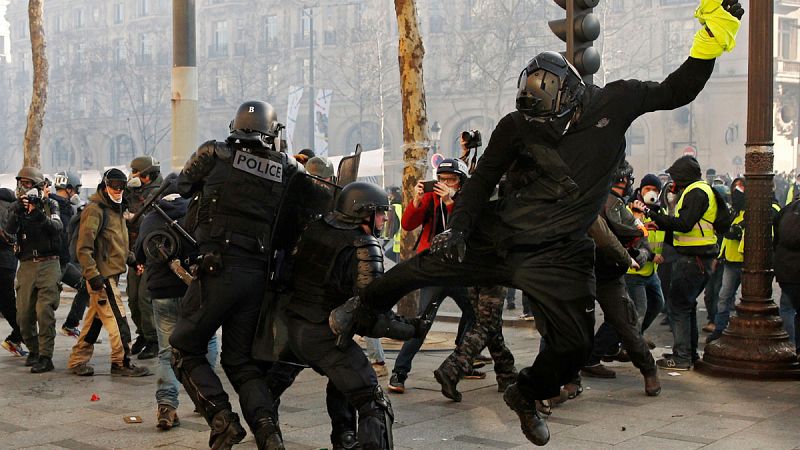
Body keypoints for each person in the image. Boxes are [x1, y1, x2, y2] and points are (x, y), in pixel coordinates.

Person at [332, 1, 745, 444]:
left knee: (574, 347)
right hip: (503, 234)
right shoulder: (517, 125)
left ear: (573, 95)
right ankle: (364, 307)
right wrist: (461, 228)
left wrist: (711, 34)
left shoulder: (618, 100)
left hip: (561, 252)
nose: (540, 127)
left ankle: (526, 395)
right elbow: (483, 178)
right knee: (420, 266)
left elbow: (677, 90)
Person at [170, 100, 306, 449]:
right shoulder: (288, 169)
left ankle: (221, 418)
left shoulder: (214, 153)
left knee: (184, 348)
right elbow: (291, 227)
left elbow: (184, 186)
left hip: (217, 271)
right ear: (272, 131)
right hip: (256, 277)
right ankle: (269, 434)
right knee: (240, 361)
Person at [285, 181, 401, 450]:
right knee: (373, 400)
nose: (384, 218)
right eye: (380, 212)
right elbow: (370, 307)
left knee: (341, 383)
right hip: (325, 332)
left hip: (294, 324)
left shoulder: (314, 229)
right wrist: (408, 329)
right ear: (363, 212)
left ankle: (343, 439)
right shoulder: (363, 244)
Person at [133, 174, 219, 431]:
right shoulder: (198, 213)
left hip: (162, 293)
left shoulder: (151, 218)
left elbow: (138, 253)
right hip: (196, 291)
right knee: (207, 343)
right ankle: (204, 397)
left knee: (167, 352)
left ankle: (166, 407)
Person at [387, 158, 476, 395]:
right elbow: (407, 225)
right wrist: (416, 200)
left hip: (459, 270)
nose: (445, 184)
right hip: (434, 269)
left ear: (461, 182)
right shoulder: (430, 197)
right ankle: (399, 372)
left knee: (476, 313)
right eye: (441, 179)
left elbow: (462, 226)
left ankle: (462, 358)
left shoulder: (465, 200)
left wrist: (450, 202)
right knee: (422, 322)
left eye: (451, 180)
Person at [579, 160, 660, 397]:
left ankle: (648, 369)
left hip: (606, 275)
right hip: (587, 271)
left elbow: (636, 235)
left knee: (626, 324)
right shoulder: (599, 202)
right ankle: (571, 377)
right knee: (618, 327)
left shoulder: (615, 206)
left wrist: (637, 254)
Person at [638, 156, 726, 370]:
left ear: (683, 176)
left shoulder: (696, 192)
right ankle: (689, 353)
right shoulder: (699, 190)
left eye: (675, 177)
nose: (672, 183)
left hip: (693, 258)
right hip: (698, 256)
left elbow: (684, 225)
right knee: (687, 306)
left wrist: (652, 215)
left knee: (677, 306)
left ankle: (682, 357)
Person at [66, 169, 149, 377]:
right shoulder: (95, 210)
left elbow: (117, 245)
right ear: (105, 185)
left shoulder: (116, 209)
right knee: (118, 321)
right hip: (103, 278)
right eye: (114, 186)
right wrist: (93, 276)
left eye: (121, 186)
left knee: (94, 321)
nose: (118, 190)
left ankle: (78, 360)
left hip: (108, 274)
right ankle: (121, 362)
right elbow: (84, 248)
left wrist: (133, 260)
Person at [5, 167, 63, 373]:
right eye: (22, 183)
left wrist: (38, 213)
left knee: (44, 311)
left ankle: (46, 356)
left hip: (49, 263)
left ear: (38, 186)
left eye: (29, 184)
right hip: (27, 264)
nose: (24, 188)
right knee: (23, 315)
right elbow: (8, 233)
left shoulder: (51, 205)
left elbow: (56, 228)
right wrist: (17, 212)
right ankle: (34, 350)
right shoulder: (16, 207)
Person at [433, 284, 518, 402]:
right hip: (492, 277)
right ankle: (451, 370)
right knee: (486, 326)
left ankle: (507, 375)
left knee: (491, 325)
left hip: (474, 277)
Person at [125, 155, 163, 360]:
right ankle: (143, 333)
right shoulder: (132, 191)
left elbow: (148, 217)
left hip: (150, 253)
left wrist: (133, 216)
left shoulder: (160, 192)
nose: (133, 176)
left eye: (136, 172)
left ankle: (153, 339)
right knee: (132, 299)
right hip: (134, 254)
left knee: (144, 299)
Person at [625, 174, 666, 334]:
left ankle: (637, 336)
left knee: (658, 304)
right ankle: (631, 343)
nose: (651, 192)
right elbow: (631, 240)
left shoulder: (658, 211)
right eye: (648, 189)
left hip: (651, 271)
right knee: (639, 310)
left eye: (655, 189)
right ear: (641, 190)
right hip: (634, 271)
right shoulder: (631, 210)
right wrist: (650, 256)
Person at [51, 171, 88, 338]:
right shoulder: (60, 208)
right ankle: (17, 337)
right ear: (69, 189)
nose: (77, 193)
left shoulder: (57, 205)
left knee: (85, 286)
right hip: (56, 262)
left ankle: (71, 324)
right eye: (76, 189)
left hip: (63, 262)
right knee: (46, 303)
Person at [0, 187, 26, 357]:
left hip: (5, 260)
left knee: (7, 303)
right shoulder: (13, 209)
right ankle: (21, 334)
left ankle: (18, 335)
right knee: (8, 303)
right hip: (6, 262)